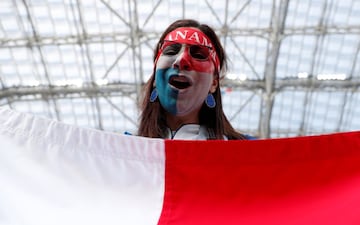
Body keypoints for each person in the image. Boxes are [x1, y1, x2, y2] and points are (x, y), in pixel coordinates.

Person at [138, 19, 250, 140]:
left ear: (213, 83)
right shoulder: (121, 151)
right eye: (170, 51)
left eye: (199, 55)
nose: (181, 60)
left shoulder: (248, 153)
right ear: (155, 76)